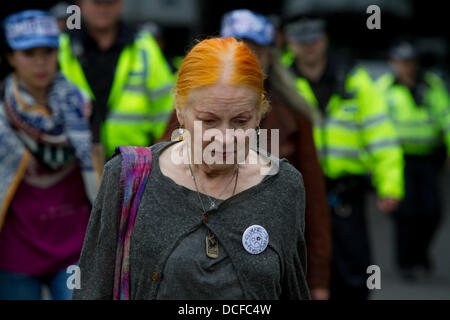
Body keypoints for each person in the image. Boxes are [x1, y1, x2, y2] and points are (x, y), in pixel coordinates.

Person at [73, 37, 311, 300]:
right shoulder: (127, 177)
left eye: (240, 121)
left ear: (259, 114)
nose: (224, 138)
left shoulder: (284, 186)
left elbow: (294, 290)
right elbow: (93, 291)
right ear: (180, 109)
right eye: (208, 121)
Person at [160, 9, 332, 300]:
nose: (245, 60)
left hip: (261, 266)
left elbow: (313, 204)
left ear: (268, 58)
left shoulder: (294, 116)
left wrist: (317, 280)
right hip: (192, 266)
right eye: (237, 48)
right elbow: (160, 186)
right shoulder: (192, 109)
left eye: (256, 51)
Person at [284, 16, 405, 299]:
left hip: (346, 193)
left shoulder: (355, 80)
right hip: (298, 192)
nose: (308, 47)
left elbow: (380, 134)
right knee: (304, 269)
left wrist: (390, 184)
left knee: (353, 273)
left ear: (325, 39)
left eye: (313, 39)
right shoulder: (283, 82)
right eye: (301, 41)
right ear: (289, 43)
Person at [0, 10, 98, 300]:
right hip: (15, 252)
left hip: (75, 247)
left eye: (48, 51)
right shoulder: (3, 112)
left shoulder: (84, 105)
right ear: (10, 57)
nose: (41, 61)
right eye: (29, 52)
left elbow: (98, 169)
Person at [58, 0, 174, 172]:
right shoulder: (62, 45)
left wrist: (157, 164)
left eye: (110, 2)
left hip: (134, 166)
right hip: (72, 168)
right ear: (80, 4)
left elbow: (166, 110)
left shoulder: (143, 45)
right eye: (97, 2)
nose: (103, 8)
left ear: (121, 3)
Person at [376, 40, 450, 280]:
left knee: (433, 212)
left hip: (428, 158)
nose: (406, 67)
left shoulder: (431, 85)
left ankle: (421, 252)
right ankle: (406, 263)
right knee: (405, 213)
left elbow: (446, 117)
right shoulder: (385, 88)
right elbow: (376, 124)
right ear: (393, 63)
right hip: (399, 157)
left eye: (410, 62)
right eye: (401, 62)